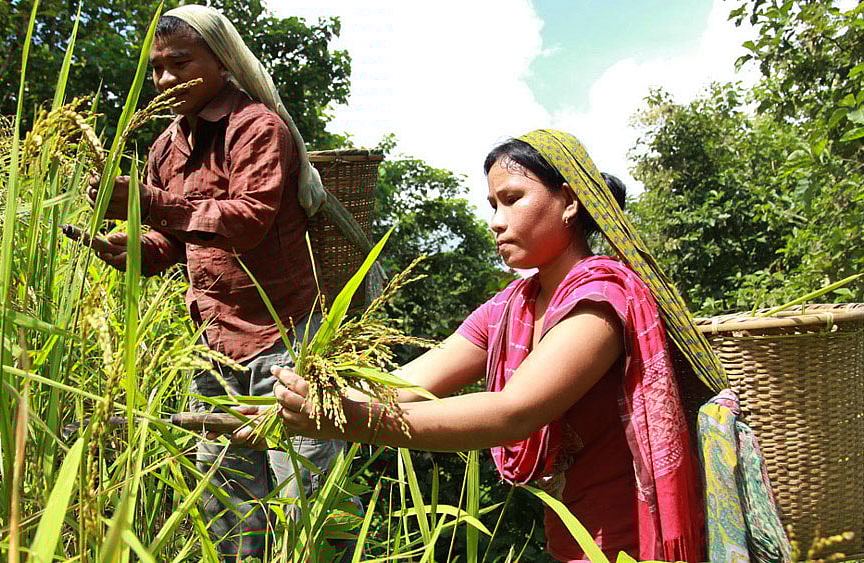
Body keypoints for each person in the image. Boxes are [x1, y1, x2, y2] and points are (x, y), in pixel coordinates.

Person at [254, 130, 705, 562]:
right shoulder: (510, 308)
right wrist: (288, 408)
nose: (496, 222)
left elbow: (514, 413)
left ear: (568, 201)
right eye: (493, 205)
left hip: (632, 545)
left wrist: (354, 421)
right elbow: (404, 384)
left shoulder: (600, 299)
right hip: (571, 541)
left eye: (512, 199)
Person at [81, 6, 353, 560]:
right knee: (225, 503)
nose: (165, 80)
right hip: (214, 346)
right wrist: (132, 248)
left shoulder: (257, 128)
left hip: (286, 338)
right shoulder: (166, 147)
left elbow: (249, 221)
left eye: (180, 64)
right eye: (156, 69)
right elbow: (175, 243)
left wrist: (146, 201)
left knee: (304, 496)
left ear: (222, 62)